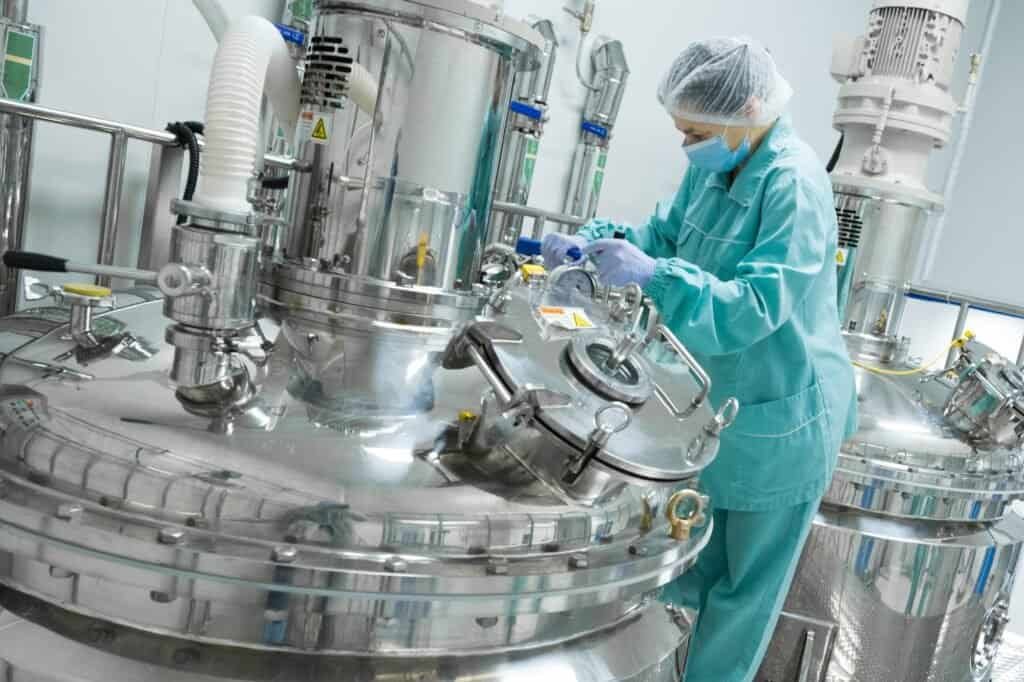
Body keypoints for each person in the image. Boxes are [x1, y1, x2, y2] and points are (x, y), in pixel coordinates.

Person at [542, 37, 857, 682]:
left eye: (696, 129)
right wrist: (599, 243)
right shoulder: (713, 163)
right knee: (686, 572)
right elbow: (662, 238)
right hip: (713, 410)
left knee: (742, 599)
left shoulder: (795, 183)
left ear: (746, 108)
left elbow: (753, 306)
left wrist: (654, 278)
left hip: (783, 420)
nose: (687, 143)